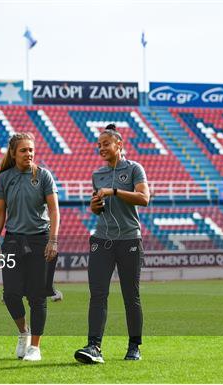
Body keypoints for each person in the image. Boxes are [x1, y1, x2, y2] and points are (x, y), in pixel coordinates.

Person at [74, 124, 150, 364]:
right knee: (97, 294)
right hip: (102, 238)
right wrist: (94, 206)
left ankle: (134, 346)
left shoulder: (135, 169)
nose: (101, 148)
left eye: (105, 144)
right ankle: (94, 346)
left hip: (129, 238)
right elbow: (98, 207)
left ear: (119, 144)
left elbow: (144, 198)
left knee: (131, 295)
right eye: (98, 145)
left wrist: (114, 191)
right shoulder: (97, 175)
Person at [0, 132, 60, 362]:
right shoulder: (4, 178)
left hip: (40, 240)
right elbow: (0, 212)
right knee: (10, 294)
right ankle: (23, 333)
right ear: (13, 153)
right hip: (12, 241)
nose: (29, 154)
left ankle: (35, 348)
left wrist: (53, 240)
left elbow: (53, 210)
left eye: (31, 149)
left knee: (37, 297)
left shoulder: (44, 176)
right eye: (23, 150)